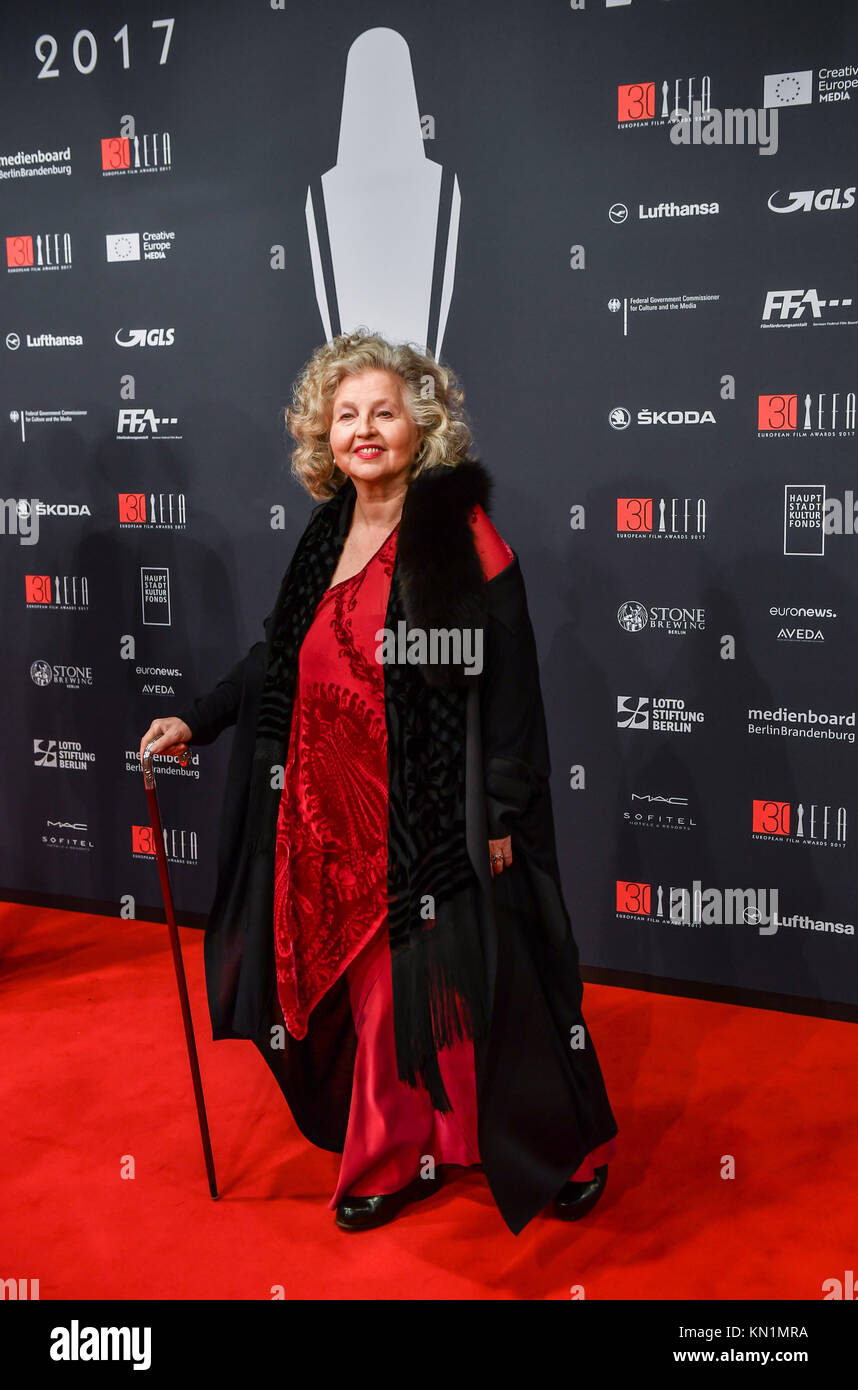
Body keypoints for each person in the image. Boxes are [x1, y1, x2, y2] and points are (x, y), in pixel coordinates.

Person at [139, 328, 618, 1235]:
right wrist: (198, 718)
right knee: (378, 1006)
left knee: (491, 992)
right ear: (324, 436)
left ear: (420, 427)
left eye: (384, 413)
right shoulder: (326, 534)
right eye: (346, 415)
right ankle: (398, 1154)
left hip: (434, 817)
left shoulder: (454, 529)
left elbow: (509, 676)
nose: (364, 430)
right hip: (326, 822)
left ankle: (567, 1148)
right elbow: (279, 655)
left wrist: (503, 808)